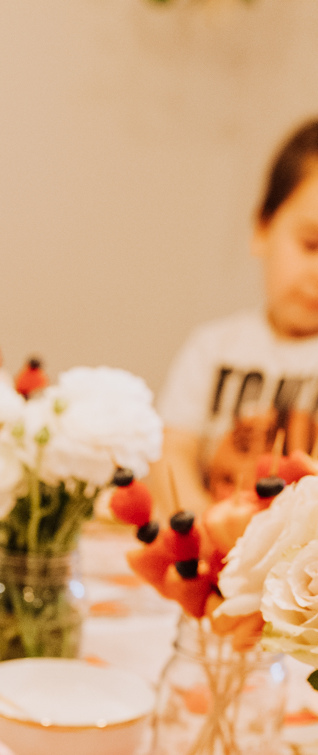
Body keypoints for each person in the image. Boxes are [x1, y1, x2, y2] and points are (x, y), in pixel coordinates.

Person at [157, 119, 318, 513]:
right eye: (311, 244)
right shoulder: (212, 347)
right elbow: (170, 453)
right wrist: (201, 525)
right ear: (262, 228)